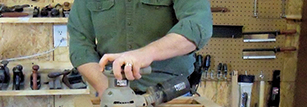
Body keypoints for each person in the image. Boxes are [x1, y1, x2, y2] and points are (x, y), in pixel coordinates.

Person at [68, 0, 212, 96]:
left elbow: (197, 27)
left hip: (172, 95)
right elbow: (80, 44)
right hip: (112, 96)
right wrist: (105, 88)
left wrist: (146, 54)